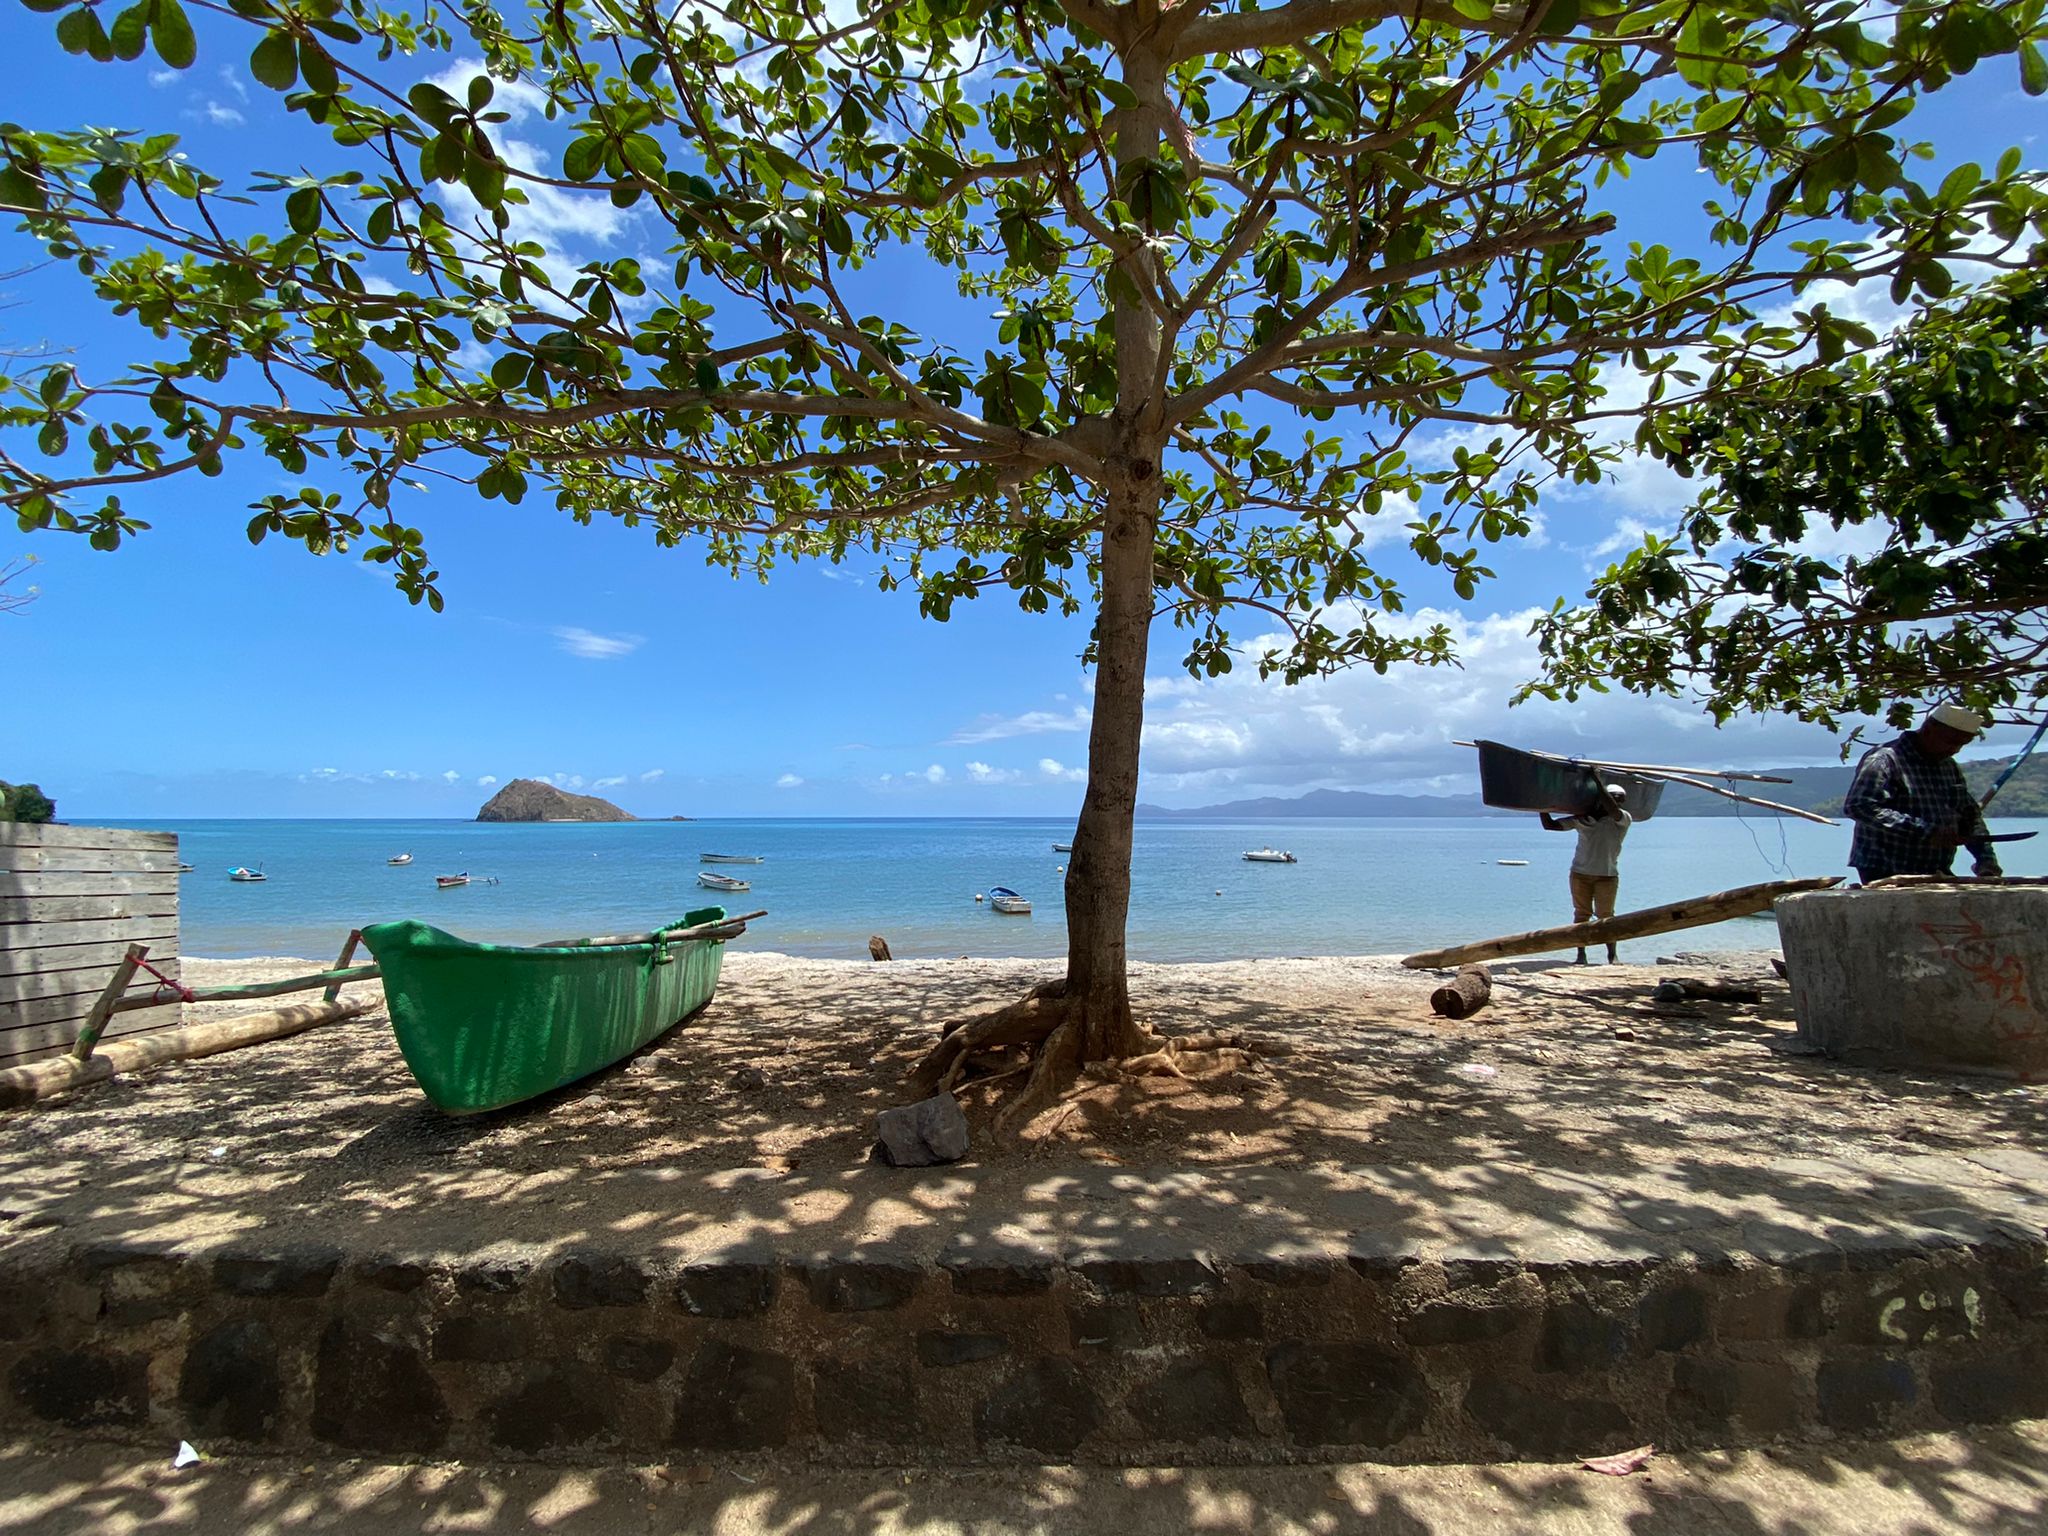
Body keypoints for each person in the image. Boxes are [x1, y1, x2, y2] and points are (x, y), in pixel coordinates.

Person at [1844, 703, 2003, 884]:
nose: (1955, 750)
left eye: (1962, 744)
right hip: (1885, 867)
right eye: (1951, 741)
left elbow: (1970, 815)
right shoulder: (1884, 760)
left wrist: (1986, 860)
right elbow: (1859, 806)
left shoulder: (1948, 766)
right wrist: (1926, 830)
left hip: (1935, 869)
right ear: (1929, 730)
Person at [1541, 784, 1632, 965]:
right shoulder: (1582, 819)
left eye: (1619, 799)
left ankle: (1612, 955)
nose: (1617, 802)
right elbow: (1550, 825)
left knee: (1606, 916)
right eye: (1614, 797)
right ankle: (1581, 954)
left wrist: (1597, 781)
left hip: (1607, 875)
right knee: (1582, 914)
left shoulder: (1622, 819)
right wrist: (1541, 807)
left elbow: (1612, 808)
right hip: (1580, 873)